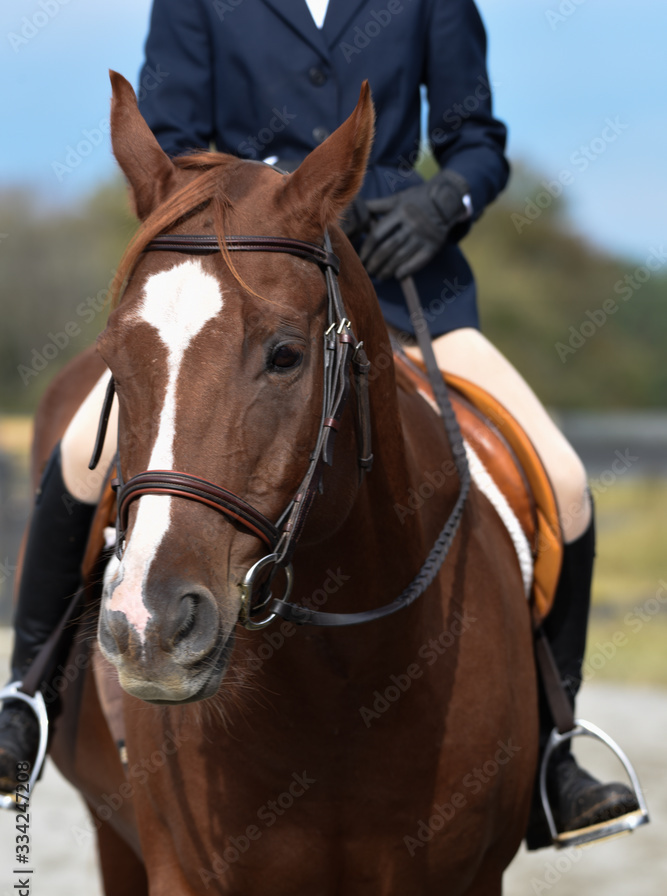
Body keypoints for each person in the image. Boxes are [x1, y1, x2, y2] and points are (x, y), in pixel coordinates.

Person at [0, 0, 640, 846]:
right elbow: (173, 139)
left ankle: (553, 751)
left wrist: (440, 202)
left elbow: (476, 140)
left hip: (404, 282)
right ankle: (28, 697)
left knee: (561, 480)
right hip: (245, 282)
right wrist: (280, 199)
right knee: (82, 457)